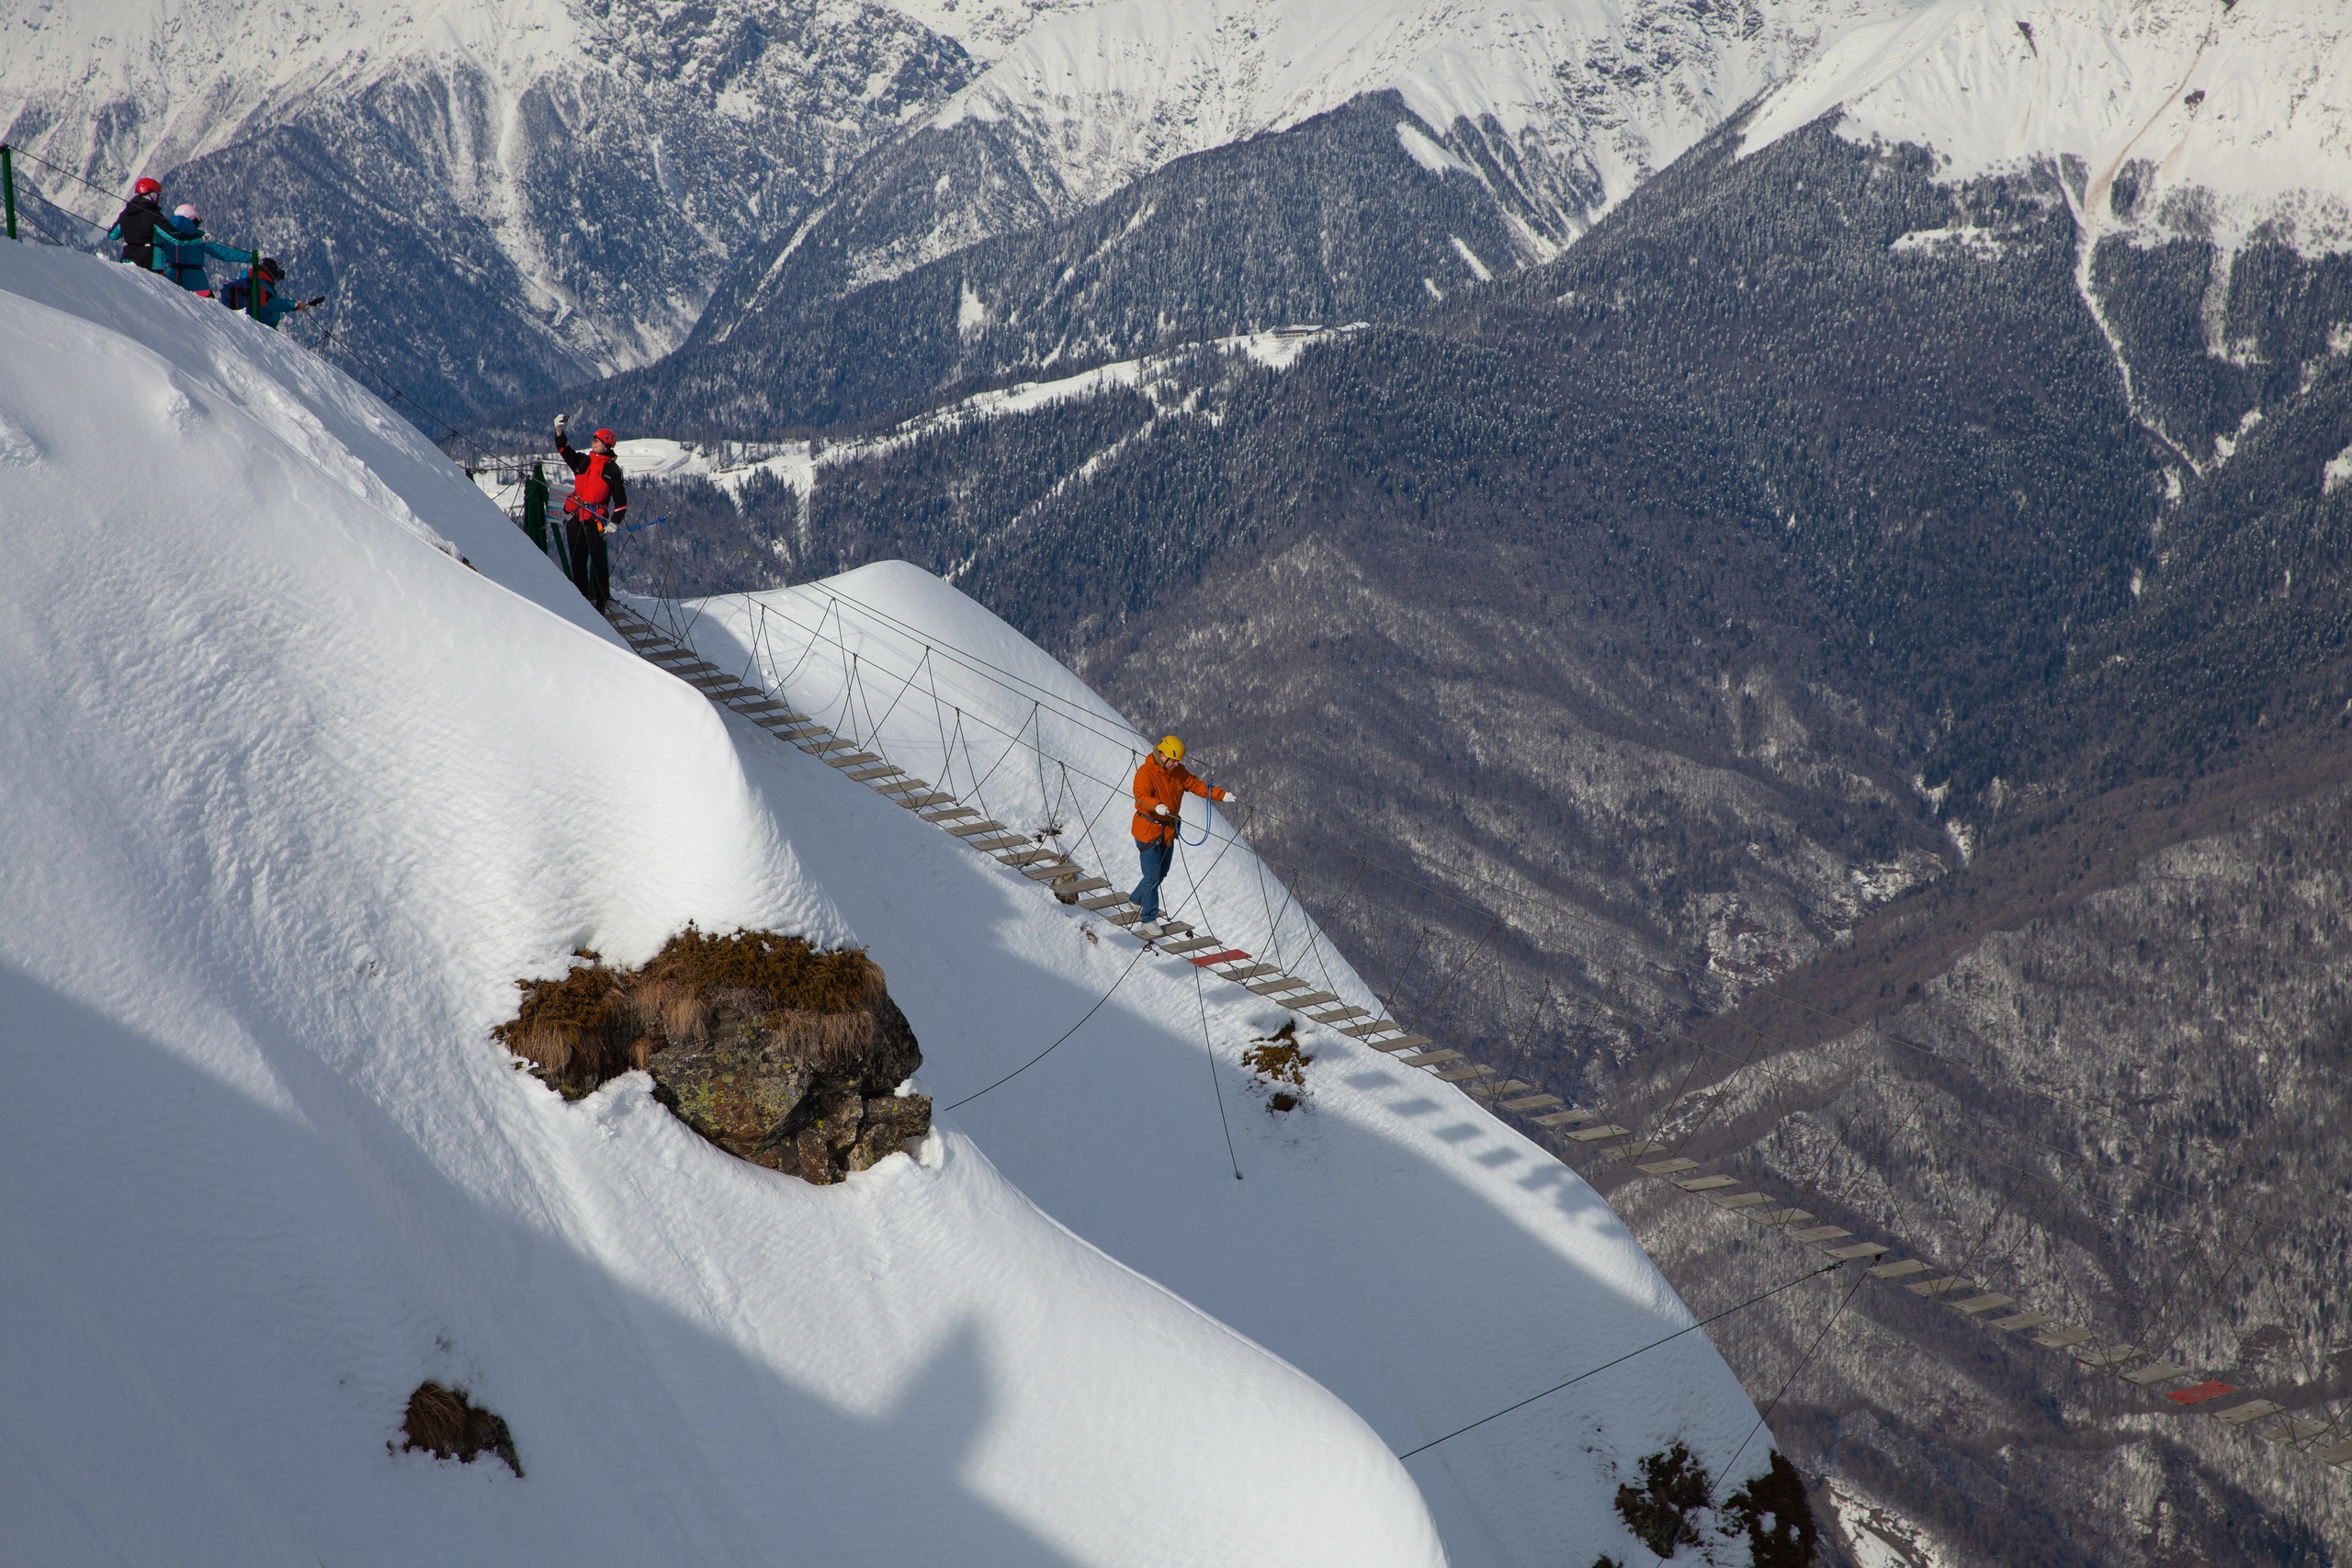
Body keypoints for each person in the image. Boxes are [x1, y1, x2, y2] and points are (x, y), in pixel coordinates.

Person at [1128, 735, 1235, 936]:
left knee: (1161, 873)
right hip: (1148, 830)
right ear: (1162, 755)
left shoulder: (1178, 772)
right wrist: (1156, 805)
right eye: (1173, 760)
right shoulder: (1146, 772)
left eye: (1178, 761)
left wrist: (1221, 795)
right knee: (1152, 877)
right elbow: (1141, 796)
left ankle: (1136, 900)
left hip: (1167, 831)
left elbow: (1195, 785)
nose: (1176, 764)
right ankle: (1148, 919)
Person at [553, 414, 627, 612]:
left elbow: (621, 502)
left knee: (597, 561)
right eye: (593, 440)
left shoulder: (613, 470)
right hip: (576, 516)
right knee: (577, 559)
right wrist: (559, 431)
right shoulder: (583, 461)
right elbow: (565, 451)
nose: (593, 443)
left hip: (595, 519)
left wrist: (615, 521)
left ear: (607, 445)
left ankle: (601, 602)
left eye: (597, 440)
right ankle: (582, 598)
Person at [152, 205, 249, 296]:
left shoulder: (165, 234)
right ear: (191, 219)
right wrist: (249, 257)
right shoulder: (198, 237)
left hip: (171, 277)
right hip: (196, 281)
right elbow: (224, 253)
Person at [219, 258, 324, 327]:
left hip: (251, 323)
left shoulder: (251, 280)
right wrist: (293, 305)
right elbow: (268, 303)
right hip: (260, 325)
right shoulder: (263, 283)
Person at [106, 178, 170, 270]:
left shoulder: (126, 213)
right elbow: (173, 236)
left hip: (127, 257)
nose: (159, 199)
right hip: (149, 261)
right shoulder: (155, 216)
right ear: (151, 196)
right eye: (157, 195)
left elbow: (113, 235)